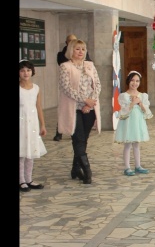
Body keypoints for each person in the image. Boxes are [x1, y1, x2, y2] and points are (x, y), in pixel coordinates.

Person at [57, 39, 101, 185]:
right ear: (71, 50)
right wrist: (84, 100)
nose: (81, 52)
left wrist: (89, 103)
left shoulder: (90, 65)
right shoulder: (65, 67)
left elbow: (97, 85)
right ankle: (87, 171)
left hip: (89, 108)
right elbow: (66, 88)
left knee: (83, 139)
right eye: (77, 49)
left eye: (83, 49)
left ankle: (76, 168)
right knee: (79, 138)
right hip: (73, 109)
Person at [114, 71, 153, 175]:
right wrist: (132, 103)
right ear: (128, 81)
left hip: (137, 122)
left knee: (136, 144)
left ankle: (138, 166)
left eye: (137, 81)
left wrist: (140, 103)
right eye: (132, 80)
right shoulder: (124, 96)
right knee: (128, 145)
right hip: (128, 123)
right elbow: (123, 111)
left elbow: (146, 111)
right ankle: (127, 167)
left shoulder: (143, 96)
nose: (135, 83)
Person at [54, 34, 91, 141]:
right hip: (70, 88)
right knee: (65, 112)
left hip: (82, 89)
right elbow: (63, 65)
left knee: (81, 127)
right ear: (67, 43)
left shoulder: (83, 54)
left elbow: (88, 62)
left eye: (75, 40)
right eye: (70, 41)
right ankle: (59, 133)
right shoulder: (61, 54)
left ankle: (76, 134)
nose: (80, 51)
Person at [19, 59, 47, 192]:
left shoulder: (36, 88)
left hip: (32, 124)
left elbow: (38, 107)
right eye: (22, 70)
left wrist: (43, 125)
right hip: (21, 123)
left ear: (32, 72)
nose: (26, 73)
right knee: (21, 152)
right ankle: (21, 180)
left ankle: (29, 179)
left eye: (28, 70)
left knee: (30, 151)